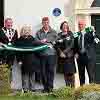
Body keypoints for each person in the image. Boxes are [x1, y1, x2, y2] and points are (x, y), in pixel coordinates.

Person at [15, 25, 42, 92]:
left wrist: (37, 59)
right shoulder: (19, 40)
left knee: (32, 75)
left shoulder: (33, 39)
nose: (26, 32)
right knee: (24, 75)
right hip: (23, 59)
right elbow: (17, 52)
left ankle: (32, 88)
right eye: (25, 30)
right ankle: (25, 89)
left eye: (28, 30)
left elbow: (37, 49)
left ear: (29, 31)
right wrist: (19, 60)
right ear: (22, 31)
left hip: (32, 59)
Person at [74, 19, 99, 85]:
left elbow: (97, 41)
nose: (80, 26)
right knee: (81, 75)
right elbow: (75, 45)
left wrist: (93, 32)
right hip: (80, 57)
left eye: (82, 24)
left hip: (89, 57)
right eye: (79, 24)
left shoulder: (90, 33)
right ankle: (82, 90)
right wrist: (76, 52)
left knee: (91, 75)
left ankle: (92, 92)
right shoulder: (76, 34)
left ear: (85, 25)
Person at [35, 17, 58, 92]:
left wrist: (48, 40)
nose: (46, 24)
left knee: (51, 71)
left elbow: (56, 41)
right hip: (42, 54)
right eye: (44, 22)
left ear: (49, 23)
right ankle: (45, 88)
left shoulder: (53, 32)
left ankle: (50, 87)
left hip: (51, 54)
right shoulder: (39, 32)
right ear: (42, 23)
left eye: (47, 22)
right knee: (43, 72)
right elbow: (35, 42)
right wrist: (41, 41)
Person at [56, 21, 76, 87]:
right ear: (61, 27)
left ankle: (73, 88)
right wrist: (60, 52)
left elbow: (72, 45)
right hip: (62, 57)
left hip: (69, 56)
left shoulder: (70, 34)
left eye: (66, 25)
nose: (65, 27)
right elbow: (56, 45)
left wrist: (64, 52)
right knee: (65, 73)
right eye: (64, 25)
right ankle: (67, 89)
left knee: (71, 73)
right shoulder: (59, 35)